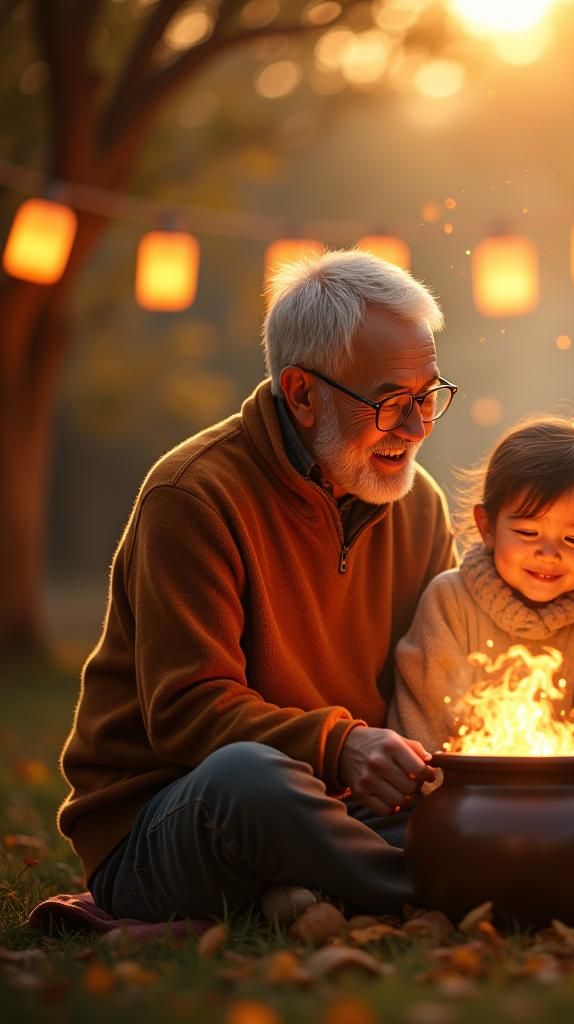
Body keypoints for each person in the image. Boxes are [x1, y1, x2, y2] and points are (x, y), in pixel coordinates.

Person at [58, 249, 460, 923]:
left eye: (428, 397)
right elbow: (188, 712)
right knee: (248, 780)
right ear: (301, 394)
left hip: (345, 810)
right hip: (171, 817)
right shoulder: (193, 496)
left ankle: (325, 887)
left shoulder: (417, 506)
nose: (417, 428)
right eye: (392, 403)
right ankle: (442, 890)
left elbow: (433, 679)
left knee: (476, 795)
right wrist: (340, 746)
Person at [389, 416, 574, 754]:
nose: (549, 554)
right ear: (488, 528)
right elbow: (425, 734)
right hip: (457, 786)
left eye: (573, 539)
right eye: (527, 532)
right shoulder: (448, 603)